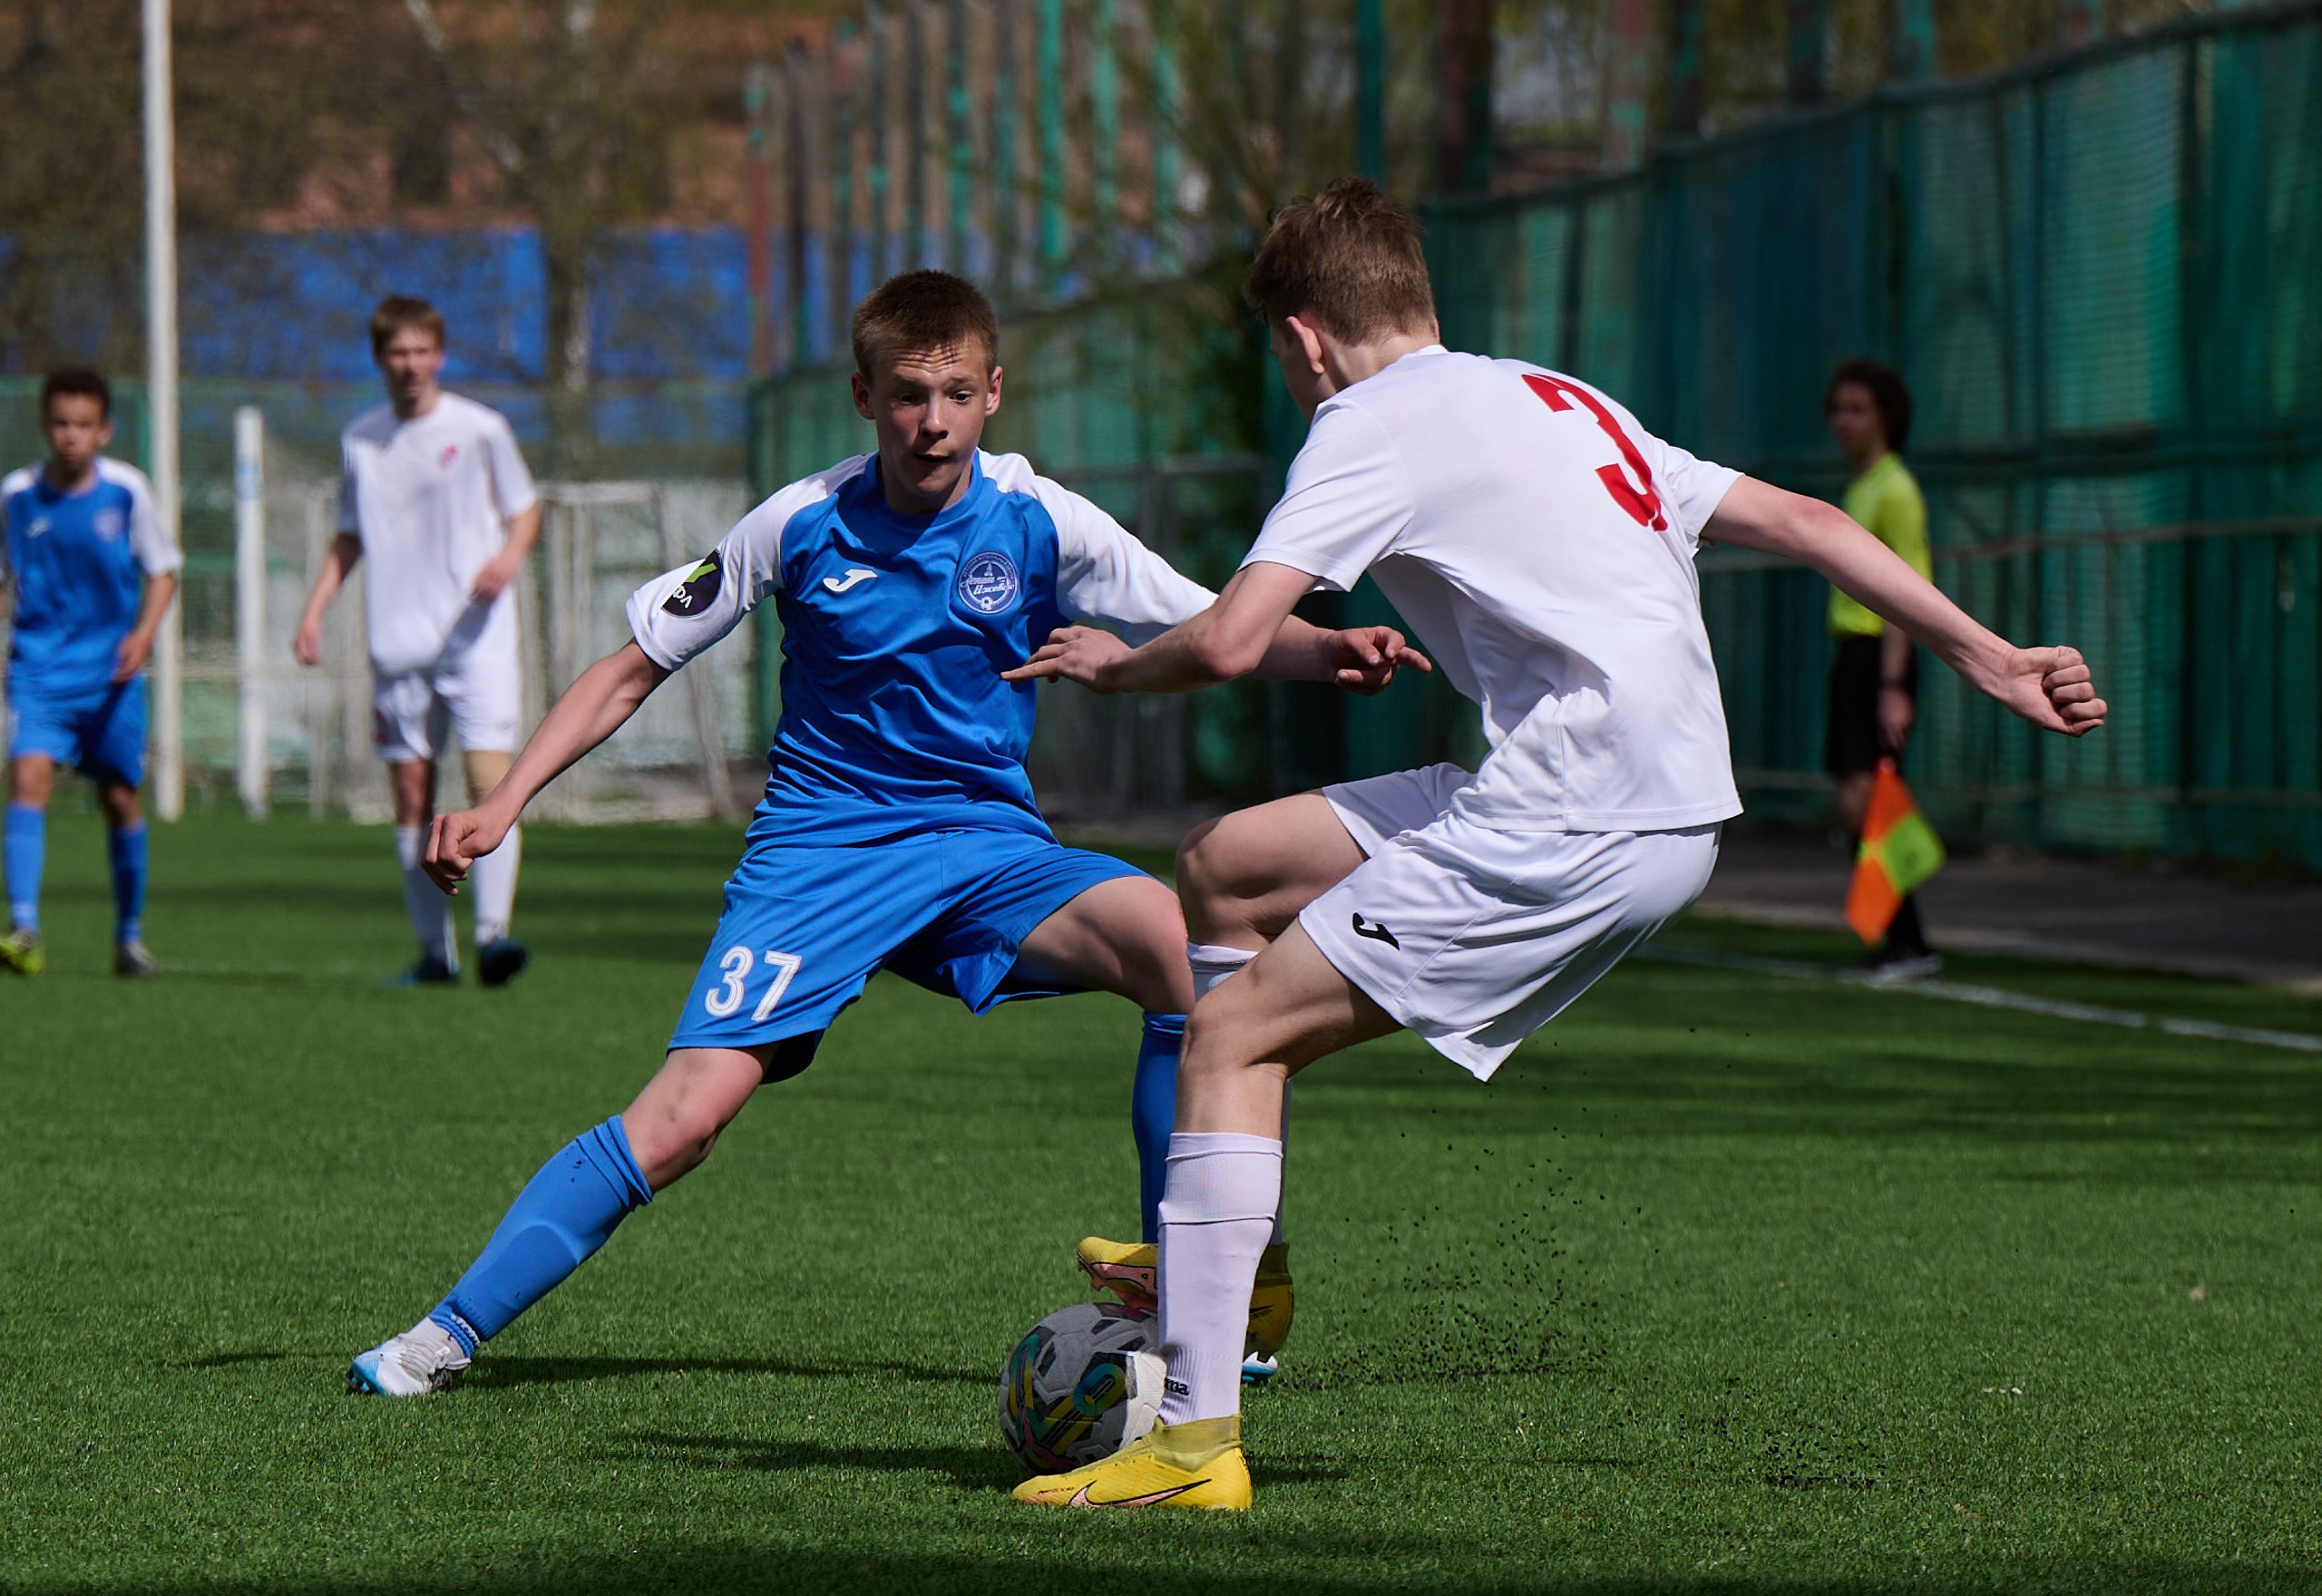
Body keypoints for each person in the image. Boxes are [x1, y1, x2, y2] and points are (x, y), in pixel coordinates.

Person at [1006, 179, 2106, 1510]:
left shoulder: (1365, 424)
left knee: (1234, 1038)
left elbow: (1235, 640)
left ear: (1304, 339)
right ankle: (1252, 1273)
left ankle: (1192, 1445)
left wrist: (1118, 667)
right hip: (1661, 801)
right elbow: (1810, 522)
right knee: (1227, 866)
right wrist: (1991, 656)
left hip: (1575, 813)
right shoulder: (1559, 398)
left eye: (1285, 359)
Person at [344, 270, 1420, 1397]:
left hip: (986, 850)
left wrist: (1328, 648)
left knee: (1179, 954)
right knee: (682, 1120)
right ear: (865, 397)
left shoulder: (1039, 516)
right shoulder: (797, 521)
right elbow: (631, 669)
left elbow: (1204, 617)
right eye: (908, 394)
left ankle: (1192, 1287)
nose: (932, 421)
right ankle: (438, 1336)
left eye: (955, 393)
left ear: (993, 391)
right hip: (823, 858)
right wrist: (505, 800)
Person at [293, 295, 542, 988]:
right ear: (380, 359)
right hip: (398, 645)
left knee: (489, 783)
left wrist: (508, 557)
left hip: (476, 639)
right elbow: (349, 535)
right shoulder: (362, 440)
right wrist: (314, 610)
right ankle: (436, 955)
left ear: (440, 355)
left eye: (421, 351)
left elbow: (525, 510)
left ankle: (492, 937)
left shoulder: (481, 428)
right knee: (411, 796)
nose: (410, 364)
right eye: (398, 352)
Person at [0, 370, 181, 978]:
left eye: (83, 424)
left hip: (111, 676)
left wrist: (143, 635)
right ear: (44, 427)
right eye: (60, 423)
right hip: (39, 672)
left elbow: (162, 571)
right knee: (27, 779)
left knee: (119, 797)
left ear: (104, 430)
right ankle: (24, 926)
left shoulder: (126, 489)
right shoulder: (16, 494)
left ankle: (129, 937)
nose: (70, 435)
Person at [1823, 358, 1937, 977]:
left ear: (1886, 417)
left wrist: (1894, 684)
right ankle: (1899, 937)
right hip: (1852, 657)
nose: (1844, 421)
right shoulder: (1861, 485)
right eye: (1838, 409)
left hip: (1878, 659)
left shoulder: (1896, 489)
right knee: (1854, 800)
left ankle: (1908, 941)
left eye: (1857, 409)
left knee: (1867, 798)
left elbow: (1906, 594)